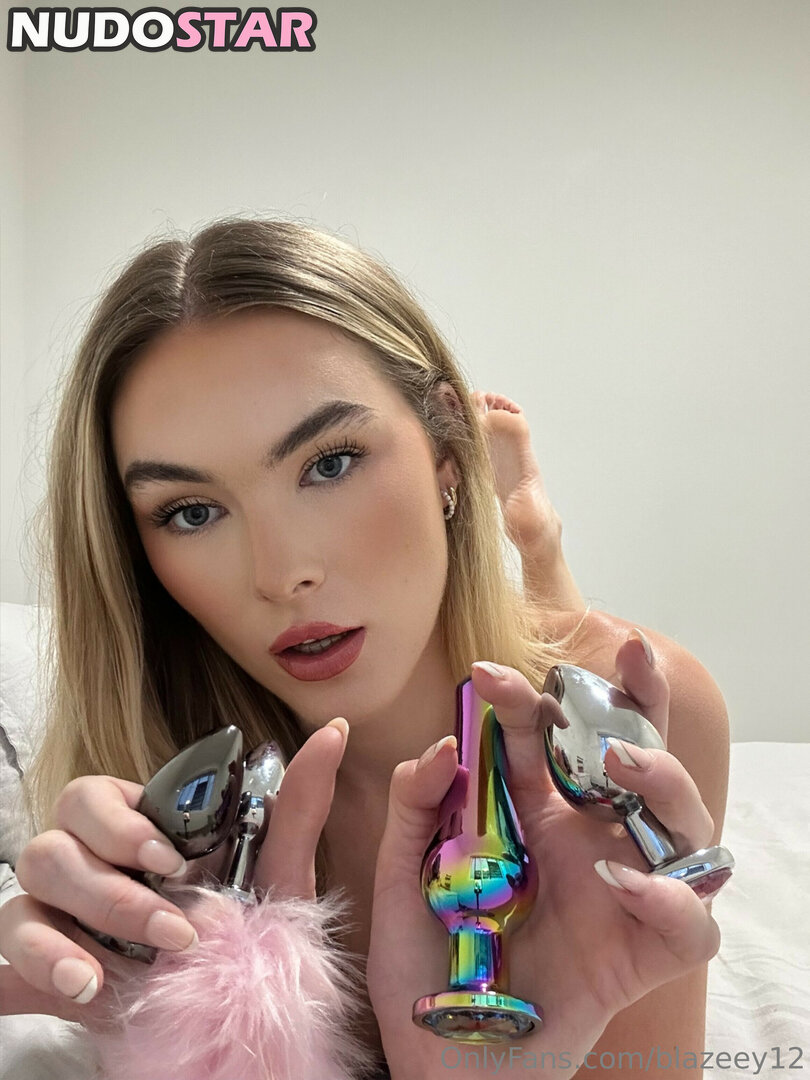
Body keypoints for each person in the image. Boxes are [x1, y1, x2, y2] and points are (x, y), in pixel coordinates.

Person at [0, 217, 729, 1078]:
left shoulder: (626, 729)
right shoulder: (175, 806)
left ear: (447, 448)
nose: (282, 575)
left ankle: (536, 542)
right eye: (191, 512)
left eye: (331, 463)